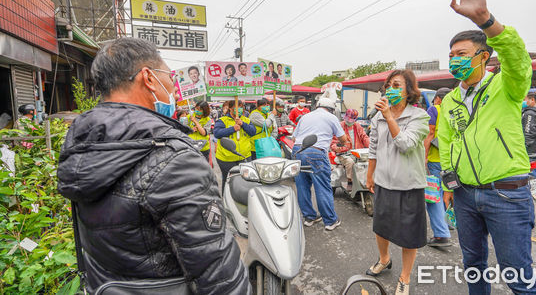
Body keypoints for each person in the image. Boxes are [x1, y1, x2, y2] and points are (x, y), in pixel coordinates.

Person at [56, 38, 249, 294]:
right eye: (169, 77)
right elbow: (218, 273)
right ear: (148, 78)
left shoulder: (81, 142)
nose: (172, 87)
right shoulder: (174, 158)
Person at [437, 0, 536, 294]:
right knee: (473, 266)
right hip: (466, 195)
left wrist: (486, 21)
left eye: (462, 54)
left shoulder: (506, 86)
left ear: (484, 56)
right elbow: (447, 140)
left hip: (507, 194)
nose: (455, 60)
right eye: (452, 55)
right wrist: (449, 180)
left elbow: (518, 59)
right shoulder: (452, 99)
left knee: (517, 276)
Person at [364, 70, 429, 294]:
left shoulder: (419, 116)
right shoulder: (377, 117)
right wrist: (370, 174)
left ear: (409, 91)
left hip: (409, 185)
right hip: (383, 181)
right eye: (389, 85)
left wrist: (390, 117)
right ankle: (384, 259)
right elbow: (373, 147)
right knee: (380, 227)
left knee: (408, 234)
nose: (391, 89)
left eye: (397, 85)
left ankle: (405, 277)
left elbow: (406, 144)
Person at [292, 91, 348, 231]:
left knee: (302, 186)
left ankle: (310, 217)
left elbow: (294, 138)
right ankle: (330, 220)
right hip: (316, 151)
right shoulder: (331, 117)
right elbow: (343, 139)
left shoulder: (305, 116)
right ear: (331, 109)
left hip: (297, 150)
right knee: (322, 186)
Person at [423, 87, 452, 248]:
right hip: (452, 160)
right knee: (449, 192)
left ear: (439, 99)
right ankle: (449, 222)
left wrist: (424, 156)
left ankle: (441, 234)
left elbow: (430, 133)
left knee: (433, 195)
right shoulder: (456, 109)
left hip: (436, 159)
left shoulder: (435, 110)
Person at [214, 99, 256, 191]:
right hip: (226, 158)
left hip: (244, 157)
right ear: (230, 109)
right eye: (236, 108)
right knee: (228, 181)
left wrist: (243, 124)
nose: (239, 110)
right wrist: (232, 129)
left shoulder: (246, 120)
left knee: (245, 181)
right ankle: (226, 201)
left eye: (241, 108)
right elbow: (217, 133)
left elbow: (253, 132)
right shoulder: (222, 120)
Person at [330, 109, 369, 190]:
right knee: (350, 162)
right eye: (348, 119)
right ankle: (350, 180)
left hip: (357, 152)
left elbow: (364, 137)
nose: (350, 121)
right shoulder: (340, 126)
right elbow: (333, 143)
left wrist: (371, 147)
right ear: (345, 117)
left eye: (352, 120)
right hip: (343, 154)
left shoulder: (357, 126)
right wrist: (339, 148)